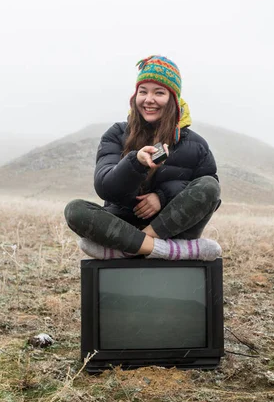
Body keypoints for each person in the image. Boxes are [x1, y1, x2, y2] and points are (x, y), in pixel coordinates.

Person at [64, 55, 222, 261]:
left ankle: (131, 248)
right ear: (134, 96)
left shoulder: (196, 145)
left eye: (159, 92)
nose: (149, 99)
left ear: (173, 99)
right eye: (143, 91)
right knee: (75, 210)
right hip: (122, 226)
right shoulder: (116, 134)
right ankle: (169, 251)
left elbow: (209, 196)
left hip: (174, 230)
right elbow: (105, 187)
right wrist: (135, 163)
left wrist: (162, 197)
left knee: (210, 185)